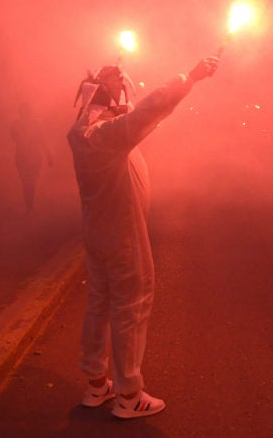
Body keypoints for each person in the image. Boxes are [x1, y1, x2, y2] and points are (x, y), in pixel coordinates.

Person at [67, 57, 218, 419]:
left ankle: (95, 383)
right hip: (121, 233)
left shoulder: (81, 132)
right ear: (110, 100)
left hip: (97, 232)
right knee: (131, 307)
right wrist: (190, 76)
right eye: (120, 91)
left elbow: (135, 118)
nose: (125, 97)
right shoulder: (107, 136)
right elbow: (148, 111)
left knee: (100, 305)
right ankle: (129, 395)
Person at [10, 102, 52, 213]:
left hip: (34, 157)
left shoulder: (37, 123)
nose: (26, 113)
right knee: (26, 182)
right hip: (22, 157)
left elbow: (43, 140)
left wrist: (48, 155)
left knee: (30, 181)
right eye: (24, 111)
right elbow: (13, 138)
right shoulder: (16, 124)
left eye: (27, 111)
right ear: (20, 113)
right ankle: (29, 207)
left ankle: (30, 207)